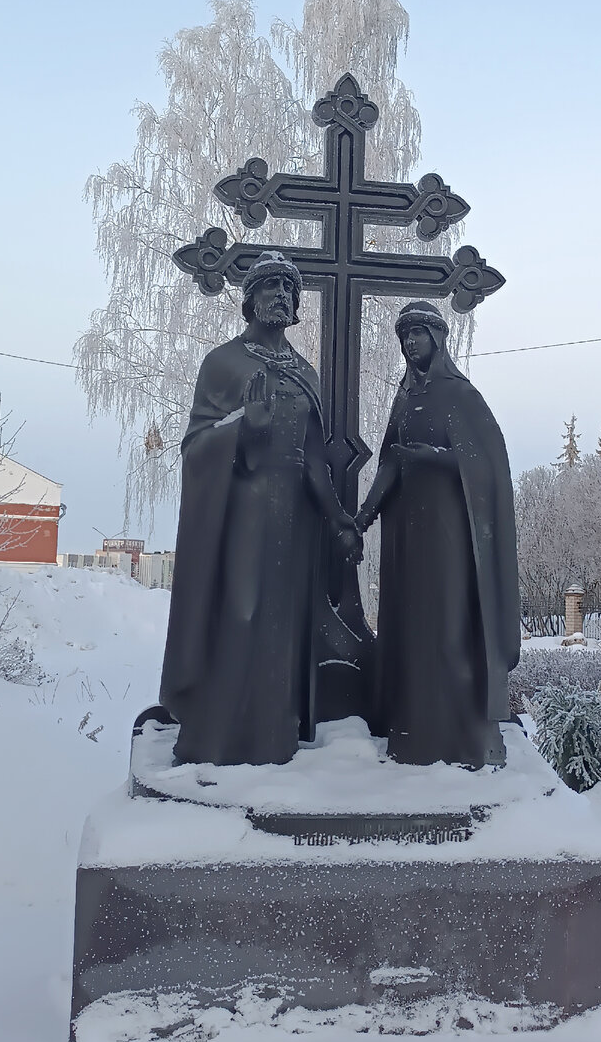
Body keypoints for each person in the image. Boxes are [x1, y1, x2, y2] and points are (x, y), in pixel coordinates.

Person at [159, 250, 362, 766]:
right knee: (241, 612)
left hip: (294, 523)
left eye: (289, 289)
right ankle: (222, 737)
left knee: (283, 622)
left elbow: (314, 457)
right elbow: (195, 448)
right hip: (243, 514)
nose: (281, 296)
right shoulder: (224, 364)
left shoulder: (304, 372)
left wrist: (336, 516)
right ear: (249, 300)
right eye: (271, 286)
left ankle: (274, 736)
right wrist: (242, 428)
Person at [356, 301, 520, 768]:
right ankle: (413, 729)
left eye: (418, 334)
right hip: (410, 537)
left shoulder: (460, 395)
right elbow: (390, 462)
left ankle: (459, 733)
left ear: (438, 338)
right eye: (404, 336)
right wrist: (362, 518)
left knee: (449, 624)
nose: (410, 343)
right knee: (412, 627)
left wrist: (432, 457)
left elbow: (487, 466)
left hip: (451, 538)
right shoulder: (405, 399)